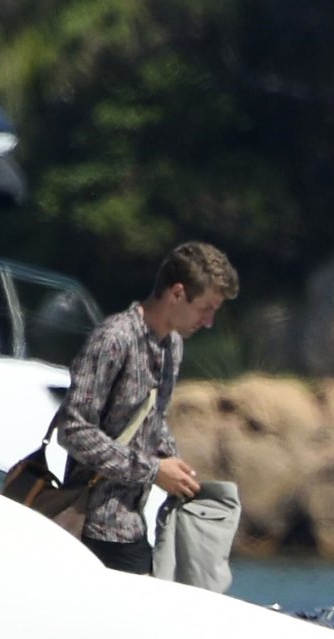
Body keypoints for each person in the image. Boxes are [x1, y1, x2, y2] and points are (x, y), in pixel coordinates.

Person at [53, 241, 238, 573]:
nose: (209, 321)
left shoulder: (172, 345)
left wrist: (174, 465)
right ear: (177, 293)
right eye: (205, 308)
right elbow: (73, 430)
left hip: (132, 527)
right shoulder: (113, 339)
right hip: (88, 528)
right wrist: (154, 471)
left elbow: (151, 420)